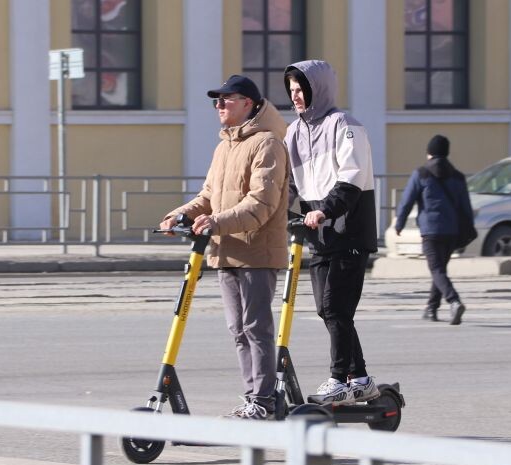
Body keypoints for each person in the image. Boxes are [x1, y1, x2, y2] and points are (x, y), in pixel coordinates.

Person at [159, 75, 289, 420]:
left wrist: (217, 222)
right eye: (216, 101)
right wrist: (178, 214)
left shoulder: (268, 144)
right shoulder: (224, 147)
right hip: (225, 250)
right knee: (238, 330)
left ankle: (263, 401)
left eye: (226, 99)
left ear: (249, 103)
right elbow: (208, 197)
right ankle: (252, 398)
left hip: (257, 250)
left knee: (256, 328)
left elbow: (261, 203)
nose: (219, 105)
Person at [282, 59, 380, 405]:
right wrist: (275, 211)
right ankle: (362, 377)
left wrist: (326, 209)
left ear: (316, 88)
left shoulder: (346, 125)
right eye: (291, 91)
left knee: (336, 307)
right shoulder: (293, 132)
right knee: (329, 311)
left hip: (347, 229)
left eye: (301, 89)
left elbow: (352, 177)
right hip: (319, 234)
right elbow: (291, 184)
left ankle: (339, 377)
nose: (295, 96)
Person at [393, 134, 470, 324]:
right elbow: (465, 207)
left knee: (436, 269)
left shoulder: (421, 174)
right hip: (452, 231)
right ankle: (431, 307)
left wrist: (399, 223)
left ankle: (454, 300)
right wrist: (467, 231)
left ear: (429, 153)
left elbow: (407, 201)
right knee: (440, 270)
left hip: (431, 231)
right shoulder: (458, 176)